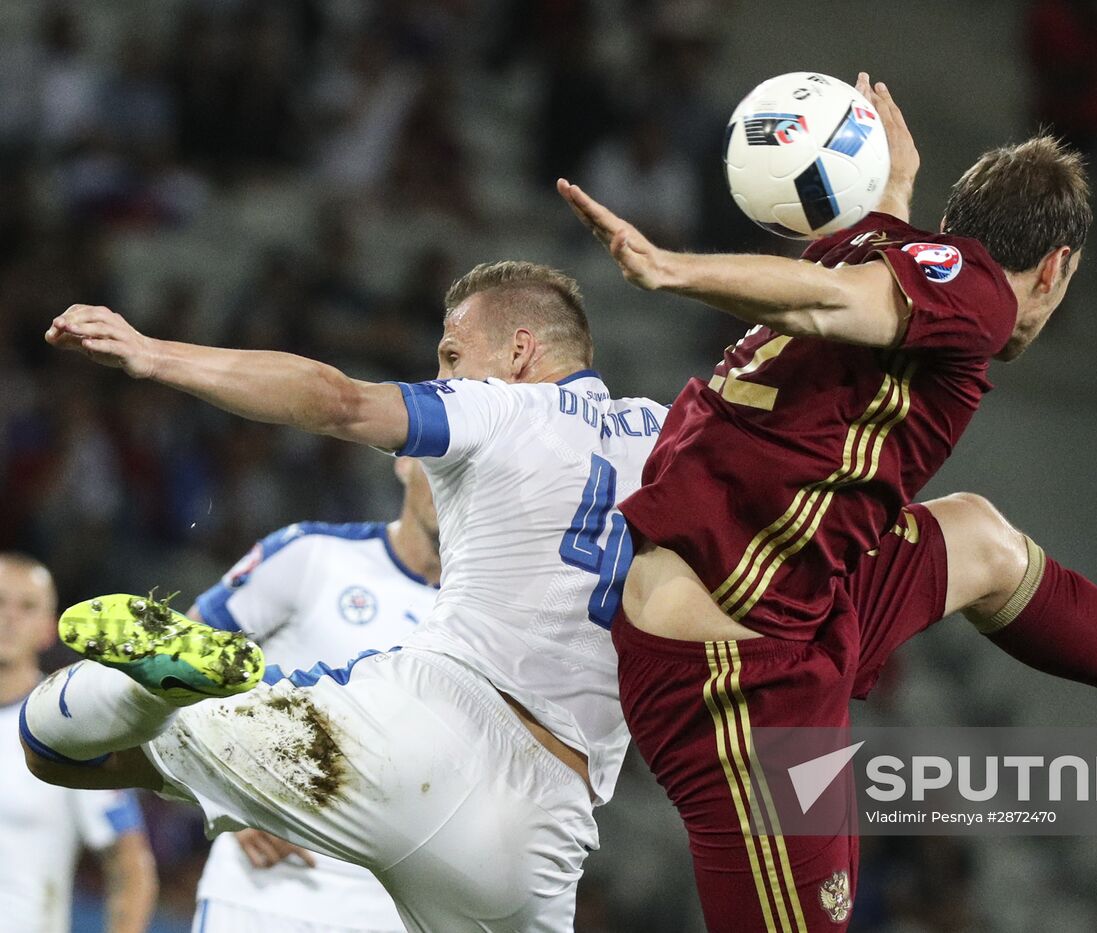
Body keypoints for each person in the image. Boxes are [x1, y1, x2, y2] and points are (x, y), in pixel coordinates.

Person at [558, 73, 1097, 930]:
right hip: (734, 679)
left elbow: (860, 286)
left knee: (978, 541)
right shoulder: (972, 293)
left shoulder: (881, 255)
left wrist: (892, 187)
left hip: (779, 604)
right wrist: (671, 270)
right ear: (1057, 267)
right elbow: (834, 304)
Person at [22, 260, 669, 932]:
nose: (444, 376)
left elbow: (339, 399)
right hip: (548, 823)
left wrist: (153, 354)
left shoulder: (501, 404)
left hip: (420, 731)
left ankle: (144, 690)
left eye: (452, 355)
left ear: (519, 350)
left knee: (52, 744)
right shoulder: (668, 437)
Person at [187, 458, 440, 933]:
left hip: (392, 913)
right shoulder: (313, 555)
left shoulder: (492, 624)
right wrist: (228, 796)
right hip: (260, 893)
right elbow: (180, 663)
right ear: (405, 459)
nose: (453, 486)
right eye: (445, 464)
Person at [0, 552, 158, 933]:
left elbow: (130, 865)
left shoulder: (64, 724)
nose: (9, 618)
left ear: (47, 630)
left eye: (27, 607)